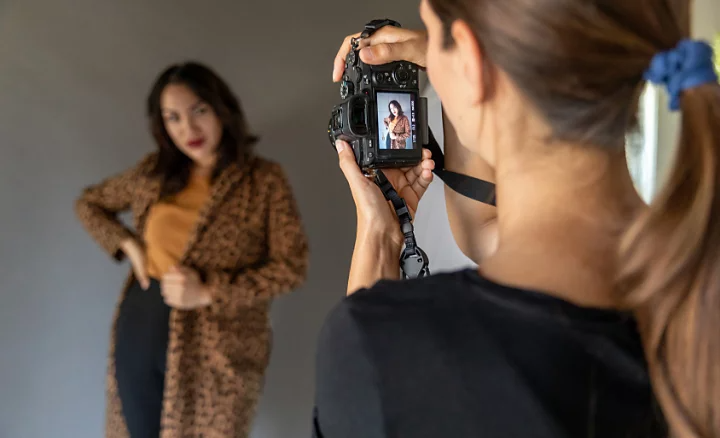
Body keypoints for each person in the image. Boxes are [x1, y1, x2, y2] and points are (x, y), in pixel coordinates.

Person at [313, 1, 720, 437]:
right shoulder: (697, 286)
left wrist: (380, 237)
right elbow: (489, 225)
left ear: (471, 61)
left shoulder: (385, 345)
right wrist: (476, 59)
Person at [75, 61, 309, 438]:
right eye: (173, 118)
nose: (189, 129)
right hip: (144, 322)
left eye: (199, 110)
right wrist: (129, 245)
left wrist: (208, 291)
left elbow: (292, 267)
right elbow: (89, 204)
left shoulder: (264, 180)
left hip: (218, 345)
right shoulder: (153, 172)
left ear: (222, 108)